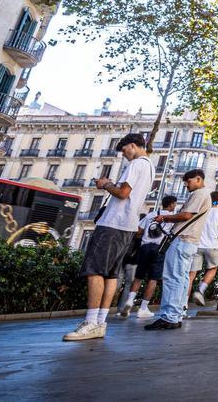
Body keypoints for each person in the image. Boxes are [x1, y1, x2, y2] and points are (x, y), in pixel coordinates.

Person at [64, 133, 153, 342]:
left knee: (94, 271)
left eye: (125, 150)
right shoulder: (149, 167)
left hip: (113, 224)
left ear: (133, 145)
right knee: (112, 274)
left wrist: (105, 184)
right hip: (127, 227)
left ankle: (91, 321)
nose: (124, 155)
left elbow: (123, 193)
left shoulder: (137, 164)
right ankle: (100, 322)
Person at [145, 170, 212, 330]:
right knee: (181, 279)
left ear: (198, 179)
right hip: (188, 242)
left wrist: (165, 217)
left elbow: (186, 216)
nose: (186, 185)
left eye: (188, 181)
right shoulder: (204, 194)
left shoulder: (199, 193)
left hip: (182, 240)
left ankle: (169, 317)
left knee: (172, 278)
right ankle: (176, 313)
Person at [118, 195, 177, 318]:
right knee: (153, 279)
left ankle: (129, 301)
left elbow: (138, 231)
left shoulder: (151, 214)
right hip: (159, 249)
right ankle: (143, 308)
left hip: (145, 248)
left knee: (139, 277)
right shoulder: (171, 218)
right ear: (171, 204)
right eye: (174, 204)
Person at [190, 191, 218, 306]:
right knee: (212, 269)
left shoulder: (202, 211)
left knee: (191, 275)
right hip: (212, 246)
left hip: (197, 245)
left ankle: (183, 306)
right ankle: (201, 289)